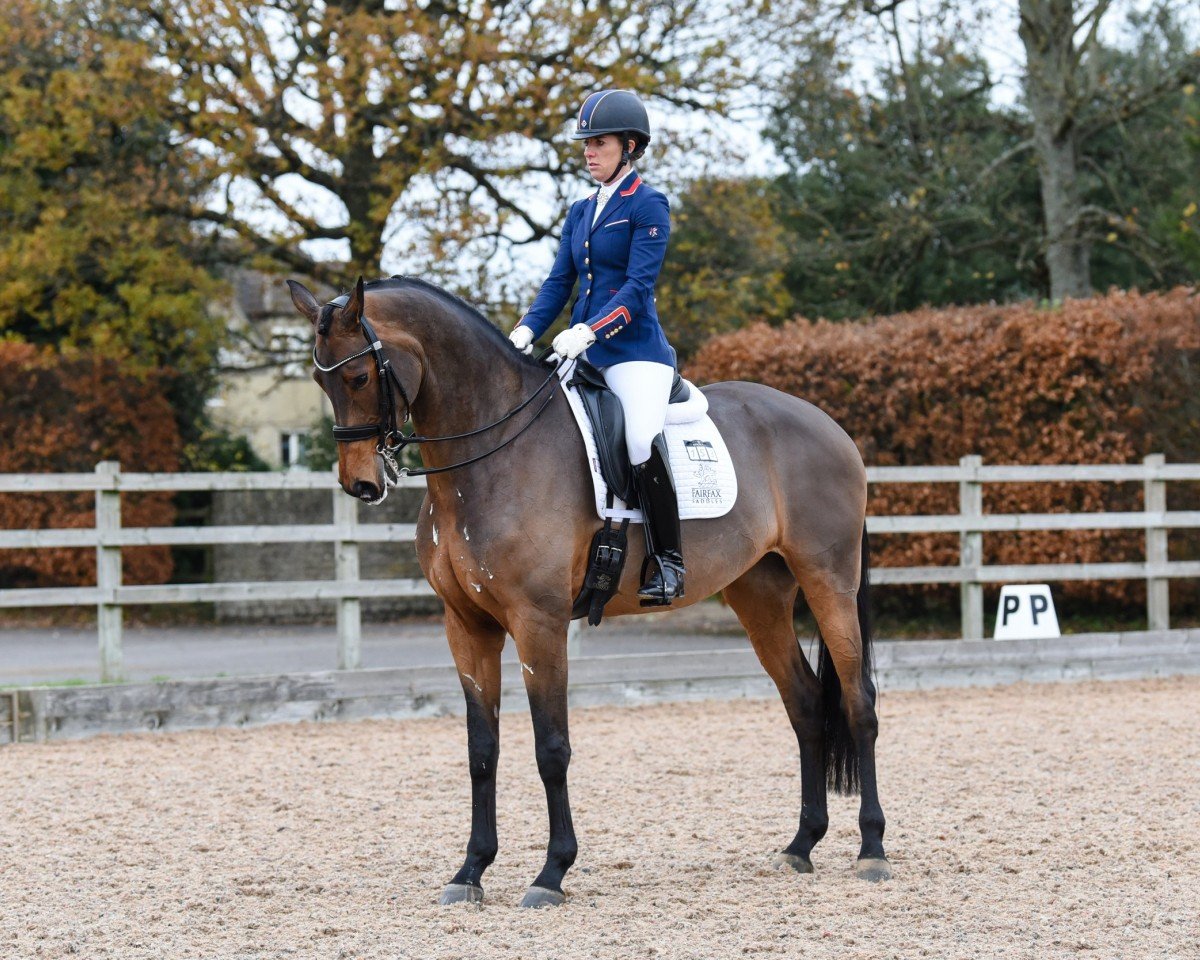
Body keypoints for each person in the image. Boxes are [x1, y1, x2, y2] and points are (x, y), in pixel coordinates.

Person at [508, 89, 684, 604]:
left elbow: (638, 287)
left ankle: (669, 562)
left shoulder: (648, 204)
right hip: (578, 352)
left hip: (634, 353)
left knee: (640, 440)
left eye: (599, 143)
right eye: (586, 143)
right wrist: (525, 330)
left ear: (630, 146)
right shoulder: (581, 211)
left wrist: (589, 330)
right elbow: (558, 282)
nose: (588, 152)